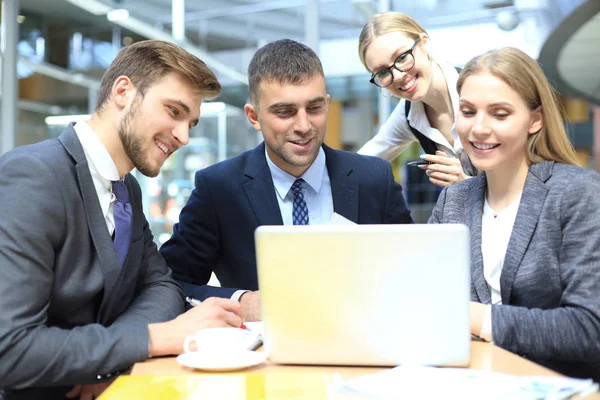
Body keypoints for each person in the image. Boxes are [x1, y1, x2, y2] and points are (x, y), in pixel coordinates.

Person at [0, 40, 243, 400]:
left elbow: (163, 287)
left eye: (190, 122)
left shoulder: (127, 188)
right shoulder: (34, 175)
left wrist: (107, 362)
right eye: (173, 111)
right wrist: (154, 339)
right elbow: (10, 348)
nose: (184, 136)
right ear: (123, 92)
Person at [160, 39, 413, 322]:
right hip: (266, 359)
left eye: (314, 108)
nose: (304, 126)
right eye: (285, 112)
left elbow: (414, 272)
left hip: (363, 349)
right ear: (254, 117)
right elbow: (168, 284)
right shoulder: (219, 188)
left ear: (327, 104)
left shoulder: (373, 179)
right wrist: (240, 302)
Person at [429, 47, 600, 380]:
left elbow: (590, 328)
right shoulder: (453, 202)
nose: (478, 128)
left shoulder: (578, 193)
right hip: (470, 382)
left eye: (500, 114)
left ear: (535, 120)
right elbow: (424, 298)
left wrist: (476, 318)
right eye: (468, 111)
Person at [357, 11, 476, 187]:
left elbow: (523, 175)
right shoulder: (409, 113)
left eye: (402, 57)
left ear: (424, 43)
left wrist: (465, 183)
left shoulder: (477, 90)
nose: (397, 76)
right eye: (382, 72)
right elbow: (362, 161)